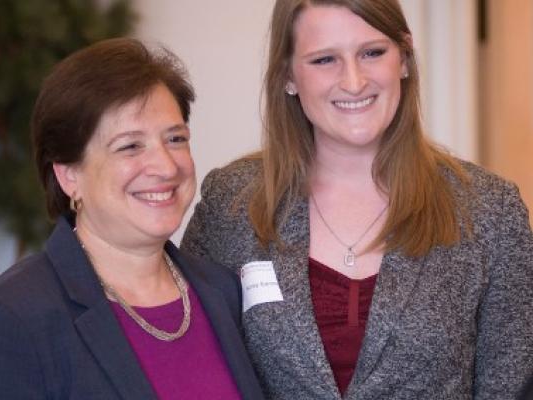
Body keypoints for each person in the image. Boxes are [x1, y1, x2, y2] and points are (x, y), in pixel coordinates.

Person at [181, 1, 533, 399]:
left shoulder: (489, 210)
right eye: (325, 59)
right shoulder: (232, 203)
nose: (353, 81)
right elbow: (188, 364)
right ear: (287, 76)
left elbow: (510, 386)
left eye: (372, 53)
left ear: (403, 57)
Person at [0, 38, 264, 400]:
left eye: (175, 138)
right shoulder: (3, 320)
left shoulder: (223, 291)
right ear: (68, 176)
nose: (166, 165)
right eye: (130, 146)